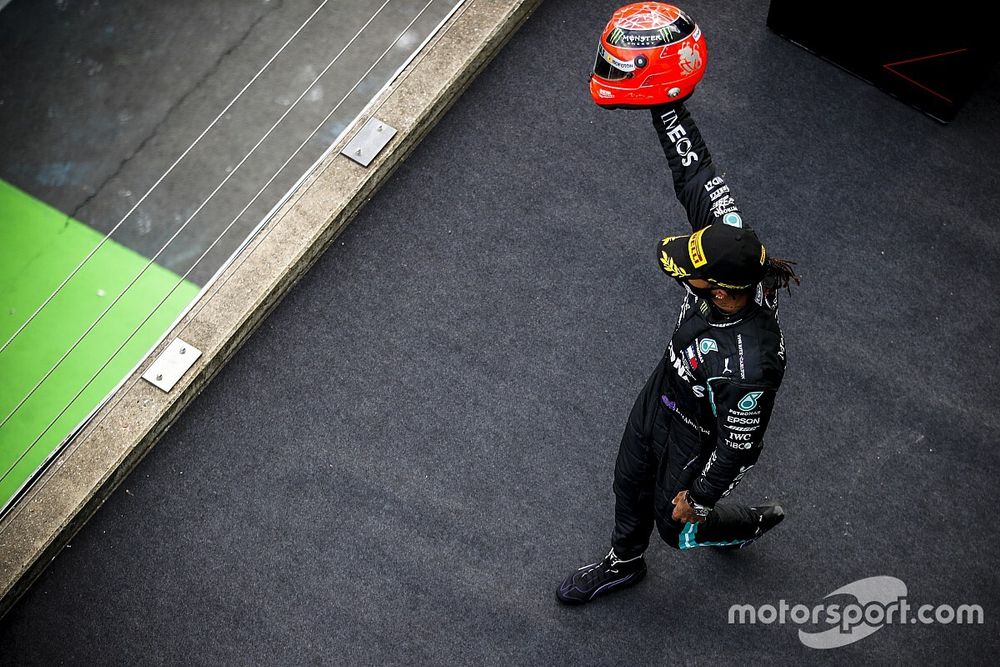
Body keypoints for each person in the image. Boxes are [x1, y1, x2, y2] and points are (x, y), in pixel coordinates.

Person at [557, 4, 800, 605]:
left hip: (701, 430)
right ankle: (622, 562)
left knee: (678, 527)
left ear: (721, 291)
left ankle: (747, 524)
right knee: (629, 481)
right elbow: (696, 173)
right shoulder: (728, 240)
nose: (681, 272)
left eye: (691, 274)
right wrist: (663, 97)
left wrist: (704, 495)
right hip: (662, 393)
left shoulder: (750, 364)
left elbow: (741, 442)